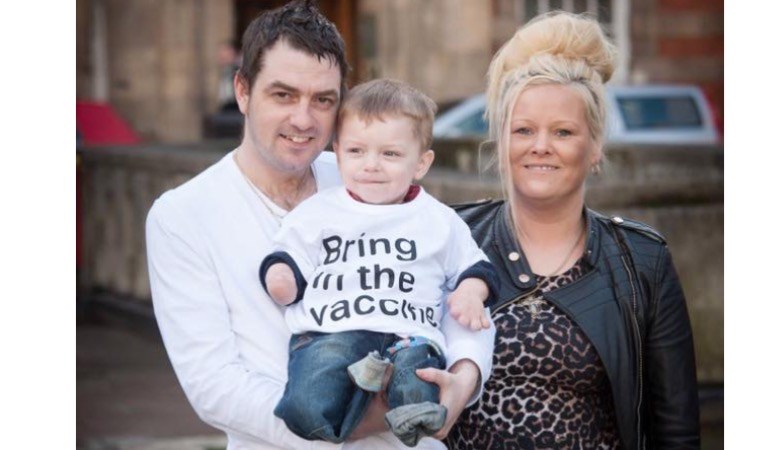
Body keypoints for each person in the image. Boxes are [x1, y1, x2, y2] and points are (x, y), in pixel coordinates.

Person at [145, 2, 495, 449]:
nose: (303, 119)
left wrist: (464, 376)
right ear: (243, 91)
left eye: (323, 100)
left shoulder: (368, 177)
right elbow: (216, 387)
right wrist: (360, 418)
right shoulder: (184, 215)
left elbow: (451, 285)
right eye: (283, 95)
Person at [447, 11, 701, 450]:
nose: (540, 146)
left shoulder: (643, 261)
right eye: (523, 130)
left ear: (595, 146)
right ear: (503, 142)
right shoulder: (452, 237)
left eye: (563, 132)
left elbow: (675, 429)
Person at [260, 79, 498, 447]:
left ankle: (393, 396)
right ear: (338, 154)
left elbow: (476, 267)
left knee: (419, 388)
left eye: (390, 154)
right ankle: (362, 389)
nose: (371, 165)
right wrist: (282, 276)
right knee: (306, 404)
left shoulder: (438, 219)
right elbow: (289, 254)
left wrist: (470, 291)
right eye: (356, 151)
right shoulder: (321, 211)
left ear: (421, 163)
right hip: (335, 332)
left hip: (410, 338)